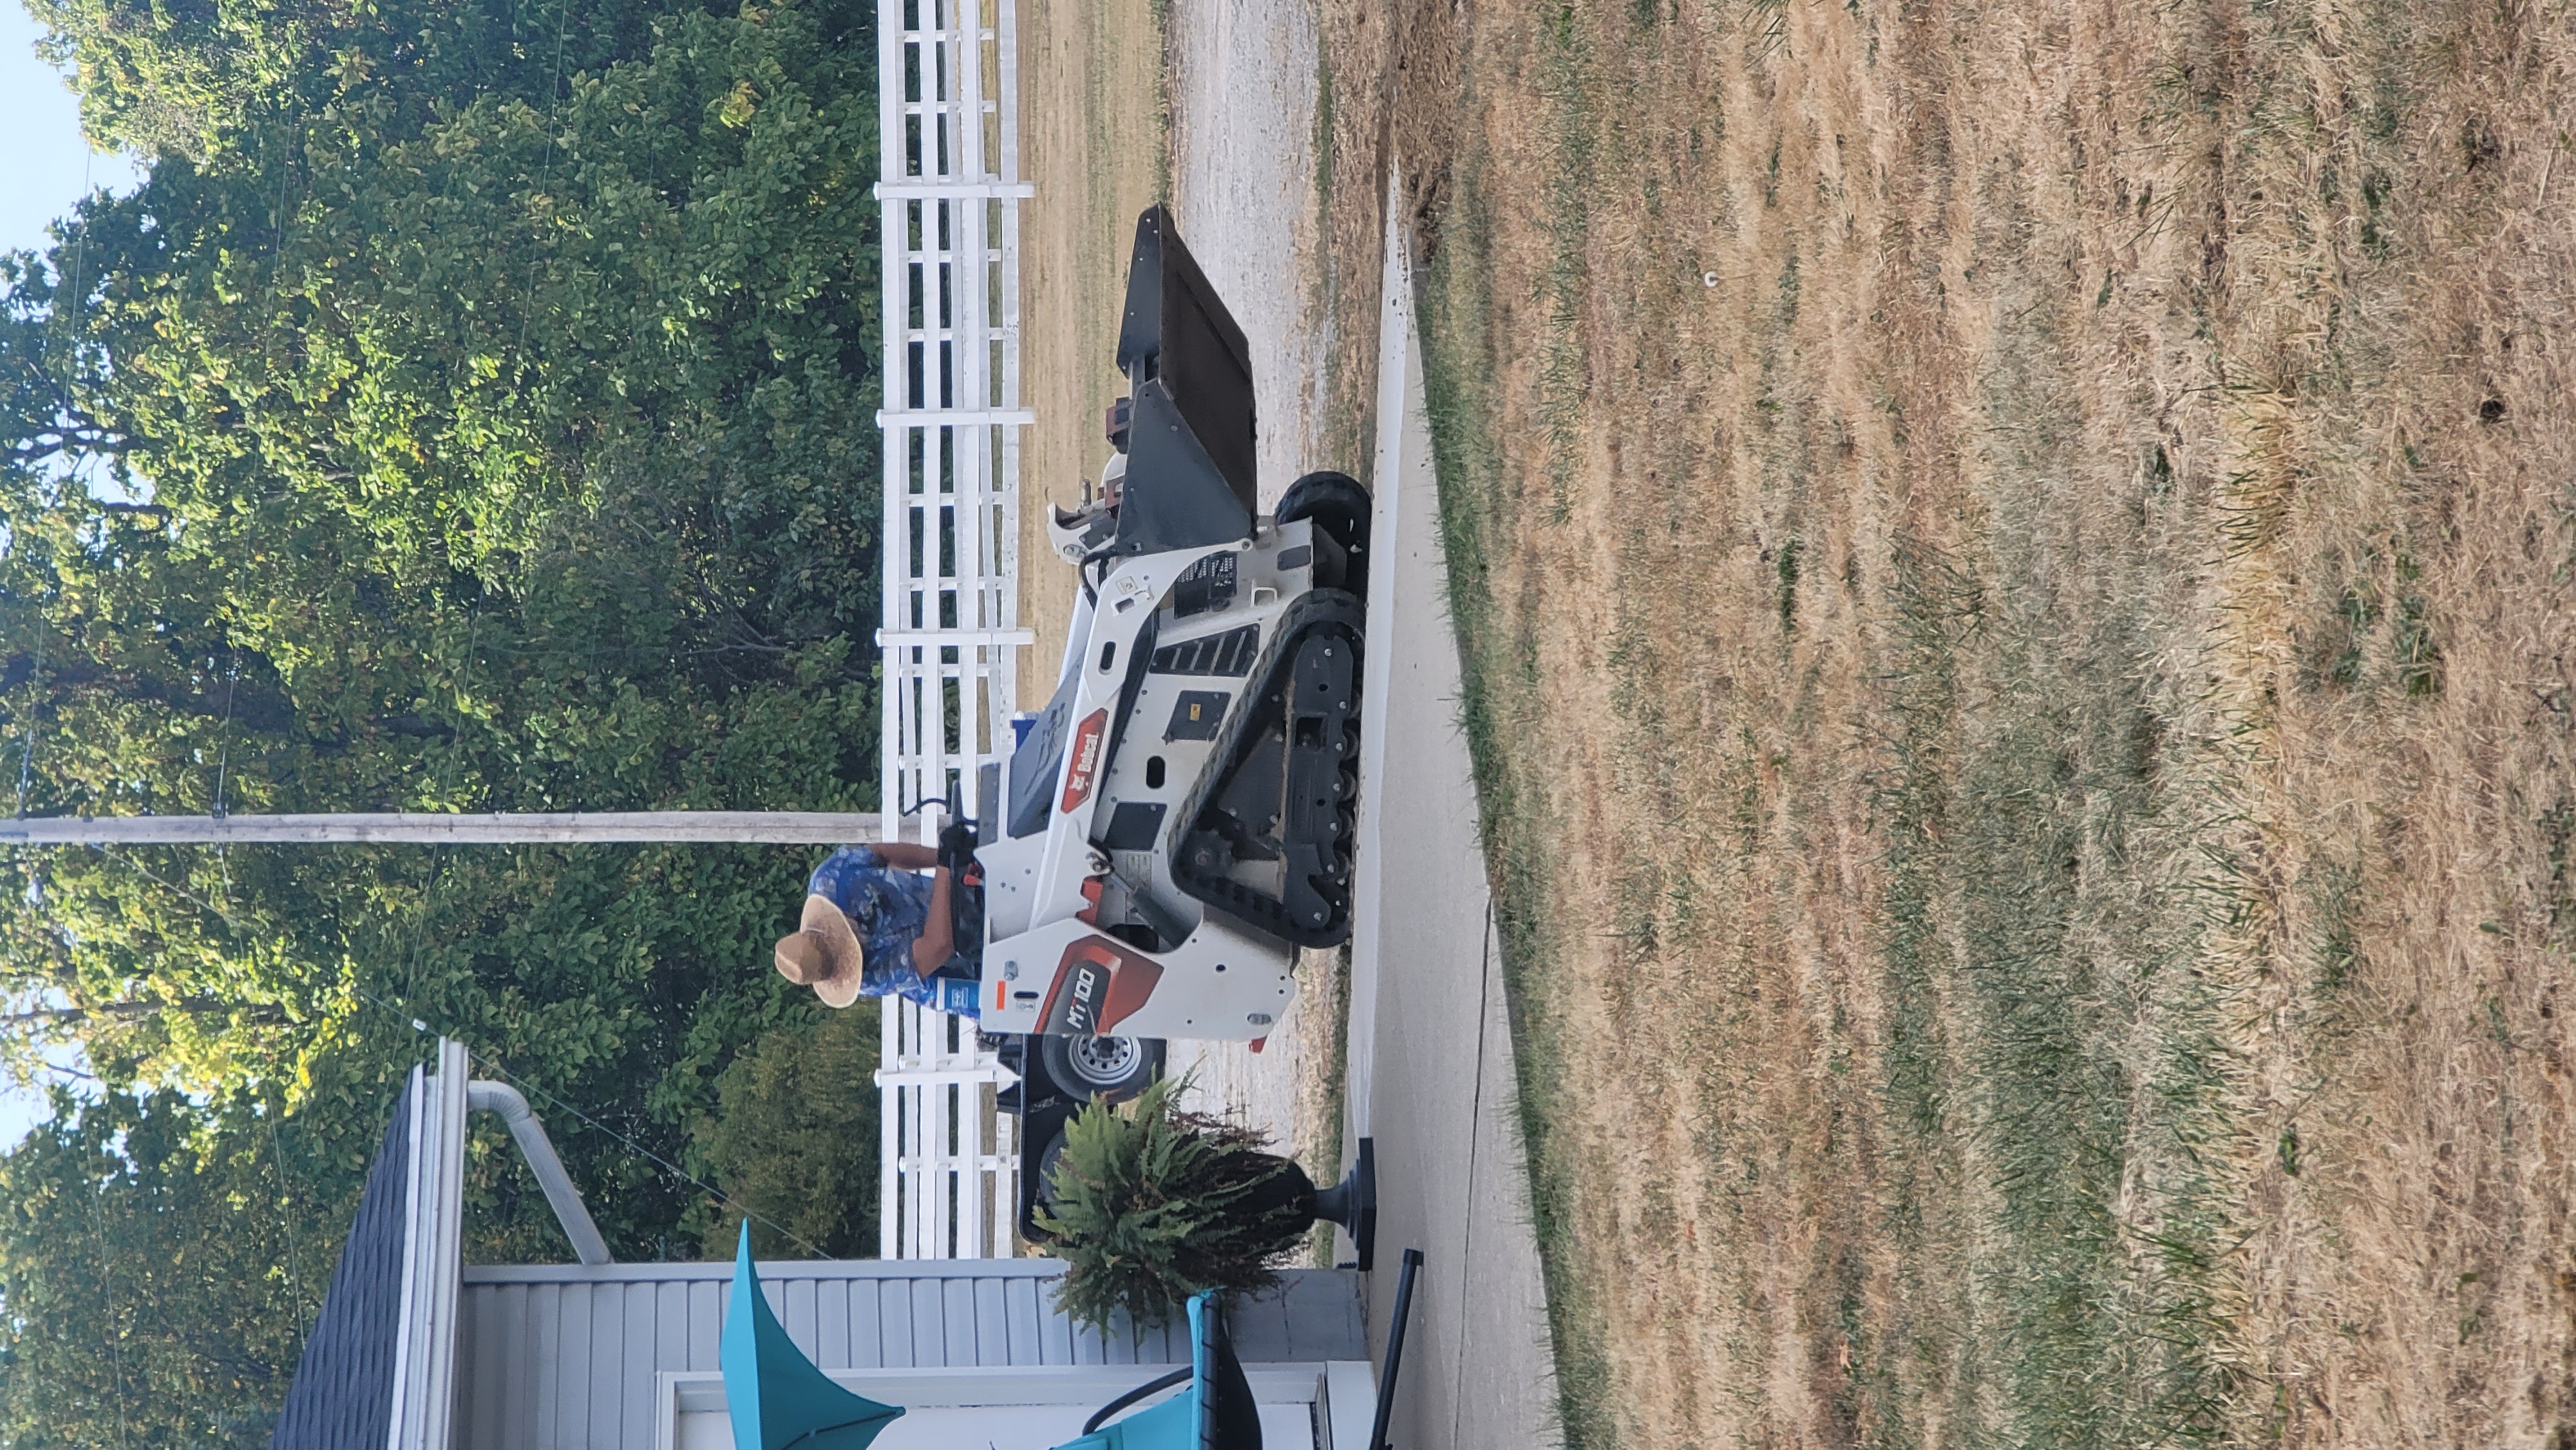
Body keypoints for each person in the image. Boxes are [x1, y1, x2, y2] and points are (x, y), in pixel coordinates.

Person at [772, 841, 981, 1017]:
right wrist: (946, 868)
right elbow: (938, 947)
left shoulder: (831, 879)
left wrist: (945, 857)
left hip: (961, 898)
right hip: (966, 968)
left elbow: (880, 854)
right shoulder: (867, 978)